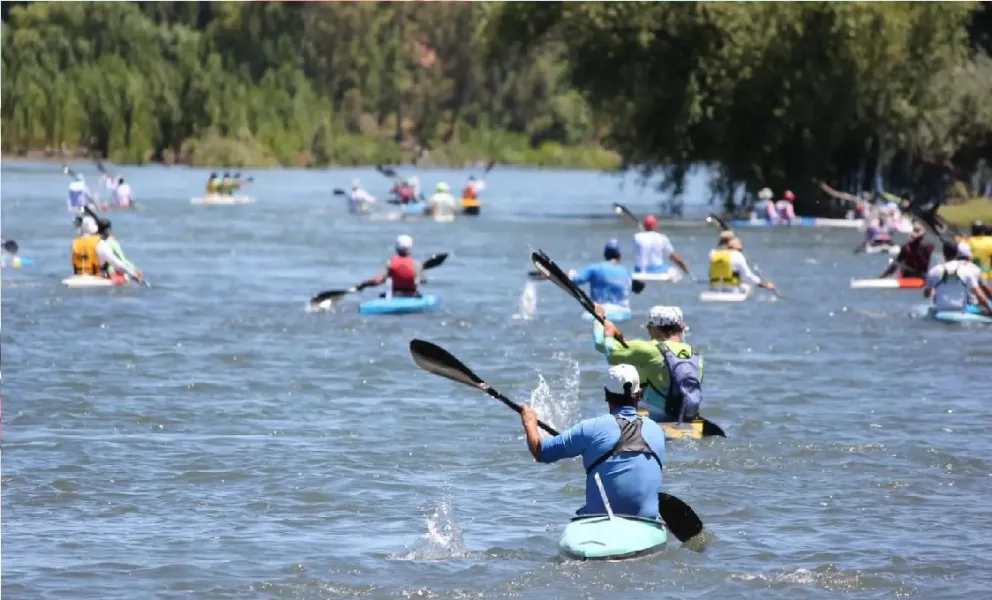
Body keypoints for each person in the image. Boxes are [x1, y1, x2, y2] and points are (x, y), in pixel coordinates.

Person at [518, 363, 666, 519]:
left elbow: (540, 451)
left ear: (606, 395)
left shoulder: (590, 429)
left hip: (600, 519)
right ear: (640, 395)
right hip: (647, 520)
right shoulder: (657, 431)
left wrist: (529, 421)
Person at [592, 303, 704, 424]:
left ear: (655, 328)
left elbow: (609, 353)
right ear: (681, 328)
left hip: (656, 416)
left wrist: (601, 321)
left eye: (648, 327)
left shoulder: (649, 350)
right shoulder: (696, 355)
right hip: (687, 415)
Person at [923, 241, 992, 315]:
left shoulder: (933, 271)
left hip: (940, 311)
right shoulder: (966, 271)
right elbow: (980, 295)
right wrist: (989, 310)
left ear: (943, 254)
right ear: (956, 254)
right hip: (960, 311)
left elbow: (926, 294)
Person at [568, 239, 633, 308]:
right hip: (621, 312)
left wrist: (571, 274)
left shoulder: (594, 268)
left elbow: (576, 281)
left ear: (604, 254)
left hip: (600, 310)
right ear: (619, 256)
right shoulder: (625, 271)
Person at [356, 234, 424, 297]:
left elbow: (376, 281)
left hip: (393, 295)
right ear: (410, 249)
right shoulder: (417, 264)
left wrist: (363, 285)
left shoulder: (390, 263)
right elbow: (422, 281)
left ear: (396, 249)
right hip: (411, 295)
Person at [708, 231, 776, 294]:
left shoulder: (712, 254)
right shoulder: (737, 255)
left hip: (715, 290)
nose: (739, 241)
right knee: (747, 286)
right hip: (733, 292)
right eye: (736, 239)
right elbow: (748, 277)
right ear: (731, 242)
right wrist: (764, 284)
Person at [96, 219, 141, 284]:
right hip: (110, 274)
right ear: (108, 230)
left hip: (89, 272)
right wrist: (134, 272)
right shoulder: (108, 243)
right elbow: (120, 262)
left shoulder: (88, 240)